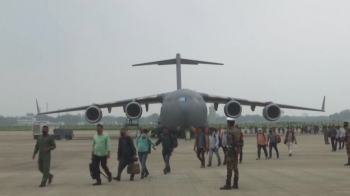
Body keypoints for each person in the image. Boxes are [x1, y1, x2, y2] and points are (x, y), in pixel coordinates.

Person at [220, 117, 241, 190]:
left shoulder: (229, 132)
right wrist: (238, 148)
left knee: (229, 168)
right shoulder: (238, 131)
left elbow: (230, 142)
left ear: (228, 123)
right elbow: (241, 141)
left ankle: (228, 184)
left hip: (230, 151)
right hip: (236, 151)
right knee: (235, 167)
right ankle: (235, 183)